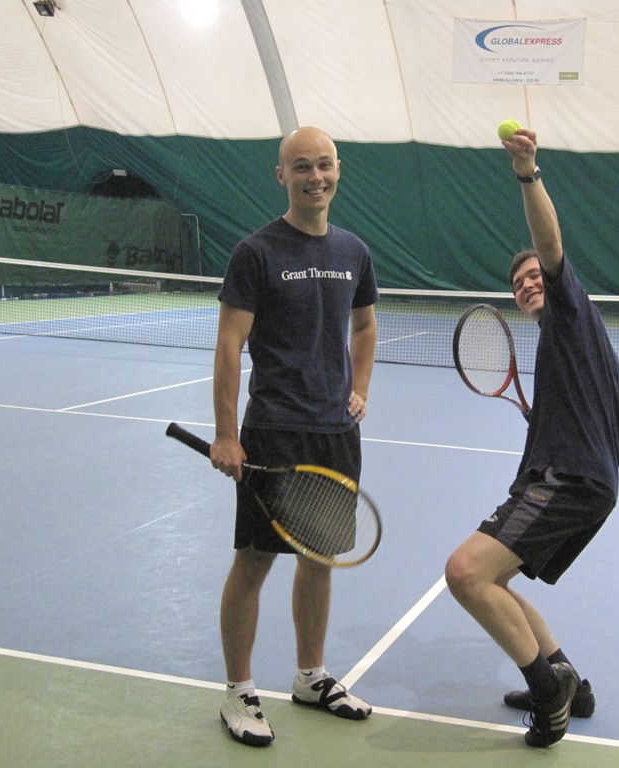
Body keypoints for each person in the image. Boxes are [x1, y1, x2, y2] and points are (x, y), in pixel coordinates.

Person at [444, 127, 619, 748]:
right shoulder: (581, 344)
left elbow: (550, 245)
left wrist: (527, 172)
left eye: (534, 276)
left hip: (565, 480)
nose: (529, 283)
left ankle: (548, 692)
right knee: (497, 581)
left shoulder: (569, 310)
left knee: (465, 573)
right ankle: (571, 684)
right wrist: (565, 415)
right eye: (518, 283)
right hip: (588, 483)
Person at [210, 126, 379, 747]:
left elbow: (365, 326)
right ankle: (238, 692)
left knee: (320, 558)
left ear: (339, 169)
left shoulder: (354, 251)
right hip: (274, 431)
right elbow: (230, 345)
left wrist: (360, 387)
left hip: (335, 433)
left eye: (324, 165)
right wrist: (227, 434)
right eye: (302, 166)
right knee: (254, 560)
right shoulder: (255, 252)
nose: (316, 177)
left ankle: (311, 677)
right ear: (281, 175)